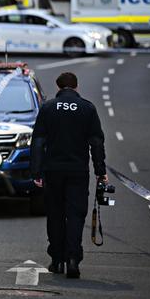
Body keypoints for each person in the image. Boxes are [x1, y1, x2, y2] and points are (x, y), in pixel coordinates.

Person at [30, 72, 107, 279]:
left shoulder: (48, 108)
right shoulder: (87, 108)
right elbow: (96, 142)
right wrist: (100, 171)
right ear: (76, 86)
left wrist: (36, 171)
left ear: (58, 87)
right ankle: (73, 259)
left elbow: (38, 142)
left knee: (55, 215)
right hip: (77, 171)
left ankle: (57, 259)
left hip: (53, 171)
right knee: (75, 215)